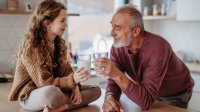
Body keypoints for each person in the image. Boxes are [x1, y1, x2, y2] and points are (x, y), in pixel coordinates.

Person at [94, 4, 194, 111]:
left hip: (174, 94)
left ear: (135, 31)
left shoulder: (158, 47)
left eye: (117, 28)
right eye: (112, 26)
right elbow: (114, 82)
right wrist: (109, 98)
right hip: (149, 93)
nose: (112, 33)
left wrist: (116, 74)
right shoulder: (118, 46)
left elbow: (145, 102)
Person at [8, 0, 101, 112]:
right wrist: (72, 81)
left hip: (56, 89)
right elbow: (44, 83)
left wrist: (75, 87)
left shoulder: (58, 42)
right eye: (62, 21)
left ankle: (59, 108)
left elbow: (68, 71)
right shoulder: (32, 46)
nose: (66, 24)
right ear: (47, 23)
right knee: (50, 93)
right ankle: (63, 104)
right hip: (32, 95)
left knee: (96, 90)